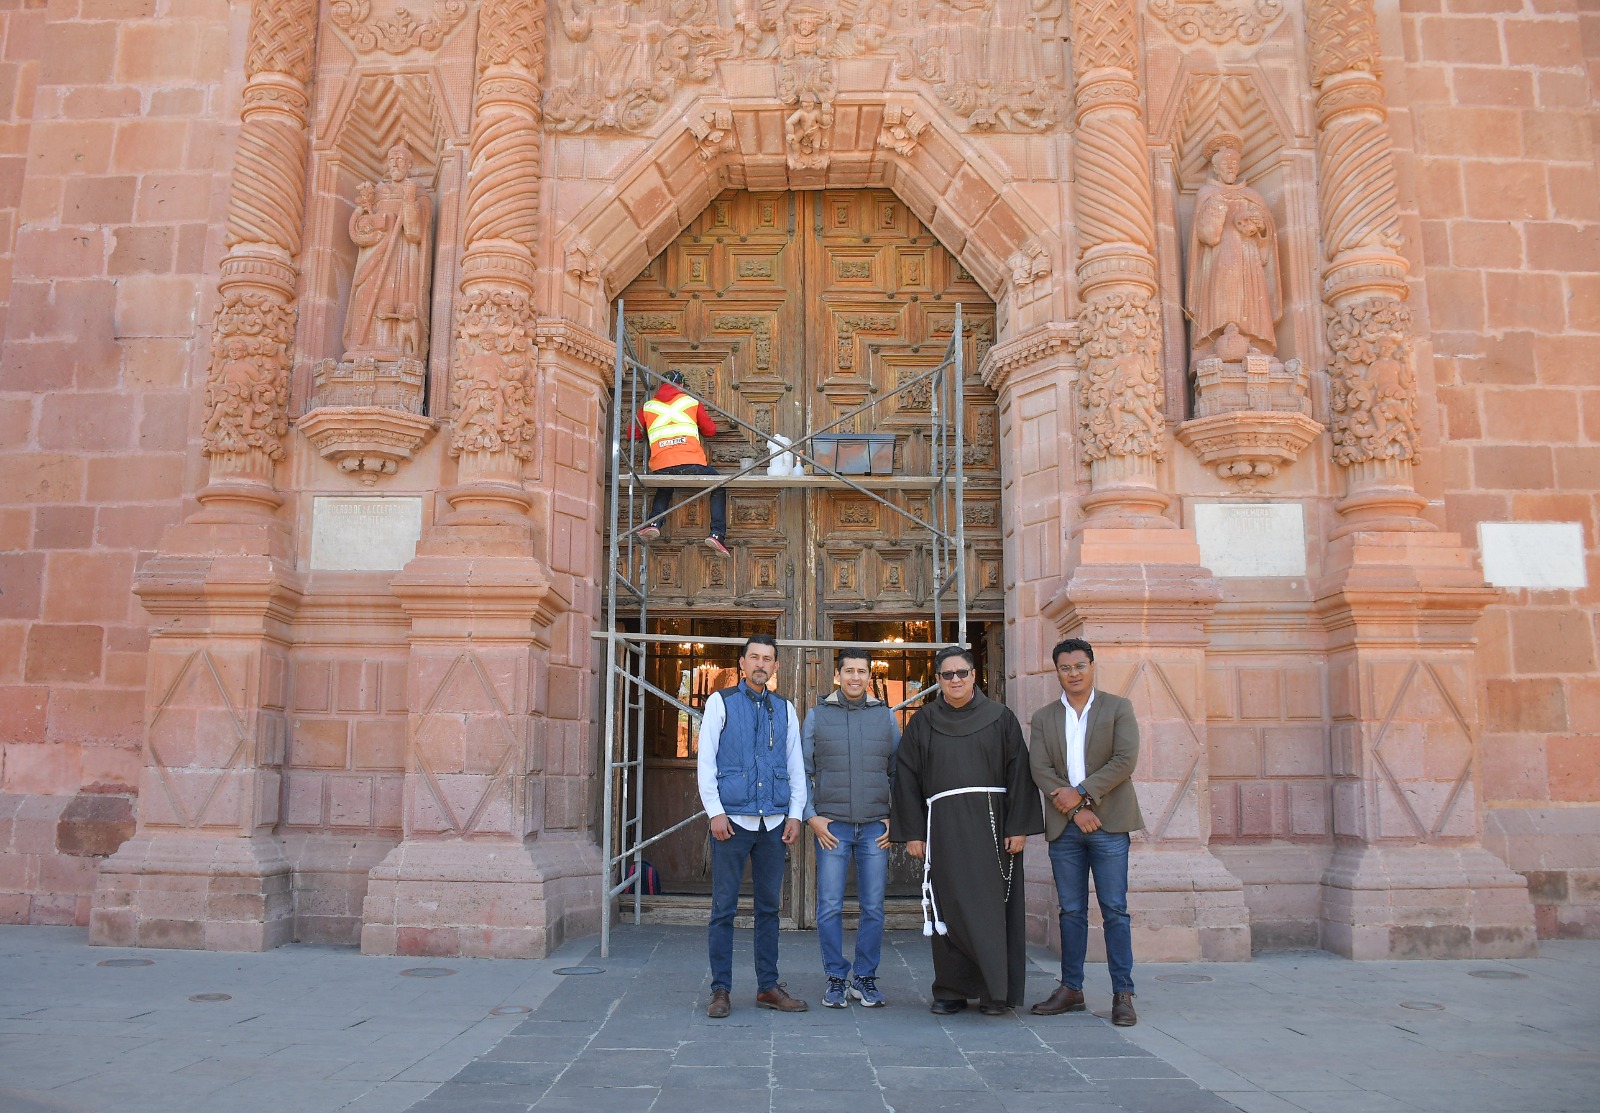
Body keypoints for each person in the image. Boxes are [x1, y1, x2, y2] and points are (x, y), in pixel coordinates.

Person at [889, 646, 1043, 1016]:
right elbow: (906, 778)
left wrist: (1019, 826)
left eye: (962, 673)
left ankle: (995, 993)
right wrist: (913, 833)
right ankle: (950, 990)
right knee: (948, 907)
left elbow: (1019, 772)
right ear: (938, 680)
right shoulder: (923, 722)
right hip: (942, 828)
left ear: (974, 675)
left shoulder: (1001, 718)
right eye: (947, 675)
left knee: (993, 910)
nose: (955, 680)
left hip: (993, 828)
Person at [1027, 637, 1143, 1028]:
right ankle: (1071, 989)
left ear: (1092, 666)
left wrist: (1081, 793)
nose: (1073, 673)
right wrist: (1077, 810)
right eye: (1065, 667)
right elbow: (1040, 770)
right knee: (1071, 911)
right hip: (1067, 828)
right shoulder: (1044, 718)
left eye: (1080, 665)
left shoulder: (1118, 708)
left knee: (1114, 910)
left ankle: (1122, 994)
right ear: (1056, 671)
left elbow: (1125, 760)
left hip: (1110, 824)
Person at [697, 634, 808, 1017]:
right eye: (755, 657)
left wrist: (795, 813)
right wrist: (715, 812)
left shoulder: (785, 708)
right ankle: (721, 990)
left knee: (768, 908)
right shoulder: (720, 702)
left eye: (768, 658)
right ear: (742, 664)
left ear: (775, 666)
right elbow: (706, 763)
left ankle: (767, 987)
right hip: (732, 823)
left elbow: (796, 767)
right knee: (723, 908)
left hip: (774, 824)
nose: (761, 664)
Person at [802, 648, 900, 1009]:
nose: (855, 677)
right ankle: (835, 978)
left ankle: (864, 978)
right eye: (849, 671)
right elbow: (802, 770)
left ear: (869, 677)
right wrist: (811, 816)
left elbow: (897, 771)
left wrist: (895, 817)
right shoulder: (817, 715)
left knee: (873, 907)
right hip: (833, 828)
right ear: (837, 676)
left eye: (862, 671)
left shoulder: (885, 717)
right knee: (829, 907)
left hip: (876, 827)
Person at [1185, 131, 1281, 363]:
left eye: (1234, 163)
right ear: (1215, 167)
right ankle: (1220, 341)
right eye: (1226, 163)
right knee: (1224, 296)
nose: (1231, 167)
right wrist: (1217, 210)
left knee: (1251, 298)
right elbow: (1208, 237)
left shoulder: (1251, 195)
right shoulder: (1208, 194)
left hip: (1249, 259)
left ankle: (1252, 340)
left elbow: (1267, 235)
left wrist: (1260, 225)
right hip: (1222, 257)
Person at [631, 369, 728, 555]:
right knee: (718, 485)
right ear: (682, 385)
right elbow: (710, 430)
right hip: (691, 463)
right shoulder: (690, 402)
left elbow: (632, 433)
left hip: (661, 466)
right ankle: (717, 534)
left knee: (665, 486)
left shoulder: (648, 406)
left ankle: (653, 523)